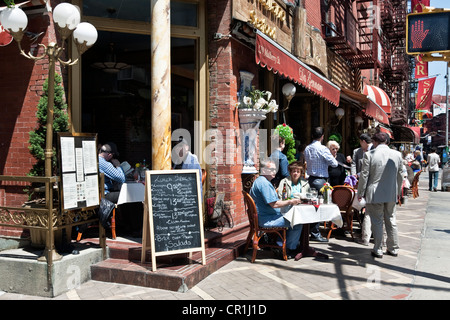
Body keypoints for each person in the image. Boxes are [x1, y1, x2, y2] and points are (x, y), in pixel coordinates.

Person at [357, 132, 404, 258]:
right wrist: (398, 192)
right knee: (391, 219)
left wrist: (360, 192)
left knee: (377, 221)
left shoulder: (369, 155)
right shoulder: (397, 155)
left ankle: (378, 248)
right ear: (387, 142)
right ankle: (393, 248)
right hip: (391, 192)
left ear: (375, 142)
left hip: (374, 192)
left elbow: (364, 176)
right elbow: (400, 176)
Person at [249, 158, 303, 258]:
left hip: (263, 216)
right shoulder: (264, 184)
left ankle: (281, 243)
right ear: (264, 170)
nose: (275, 171)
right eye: (272, 169)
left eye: (275, 169)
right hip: (266, 220)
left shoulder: (260, 181)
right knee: (297, 220)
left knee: (291, 215)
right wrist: (291, 201)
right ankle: (287, 249)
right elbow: (274, 204)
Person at [304, 127, 337, 242]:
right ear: (322, 136)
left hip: (310, 180)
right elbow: (334, 163)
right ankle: (315, 233)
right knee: (318, 207)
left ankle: (310, 231)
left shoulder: (307, 148)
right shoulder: (323, 149)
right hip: (320, 180)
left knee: (311, 206)